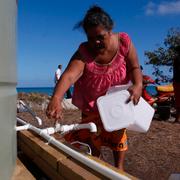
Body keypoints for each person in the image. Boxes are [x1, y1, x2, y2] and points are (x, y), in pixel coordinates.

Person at [46, 5, 142, 170]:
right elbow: (69, 75)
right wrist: (56, 98)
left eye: (100, 37)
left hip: (116, 102)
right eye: (90, 38)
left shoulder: (124, 42)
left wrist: (138, 84)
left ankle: (119, 169)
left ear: (110, 30)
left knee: (118, 137)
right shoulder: (84, 52)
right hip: (92, 104)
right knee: (94, 138)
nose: (95, 42)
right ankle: (96, 166)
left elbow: (134, 67)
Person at [173, 45, 180, 123]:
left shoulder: (175, 59)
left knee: (178, 100)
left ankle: (177, 118)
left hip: (176, 81)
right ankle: (177, 118)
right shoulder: (177, 59)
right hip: (177, 81)